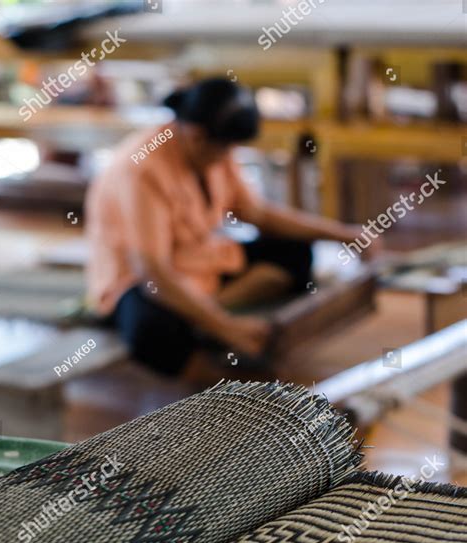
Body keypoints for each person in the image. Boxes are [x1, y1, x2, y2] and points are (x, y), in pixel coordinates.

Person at [86, 77, 377, 377]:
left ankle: (201, 314)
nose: (229, 157)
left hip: (196, 266)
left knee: (296, 252)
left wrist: (343, 234)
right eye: (225, 149)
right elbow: (153, 273)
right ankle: (217, 384)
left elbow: (258, 215)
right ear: (198, 137)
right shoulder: (141, 170)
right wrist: (227, 328)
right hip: (142, 281)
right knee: (151, 331)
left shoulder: (214, 150)